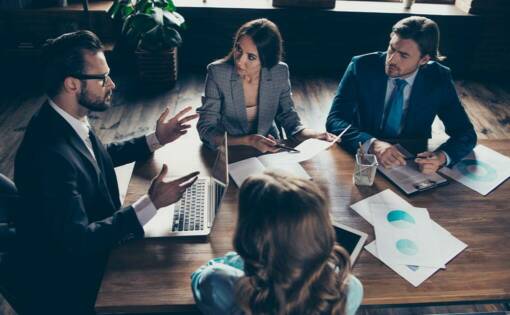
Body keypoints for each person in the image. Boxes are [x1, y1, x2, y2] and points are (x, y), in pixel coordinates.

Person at [11, 30, 199, 314]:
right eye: (101, 78)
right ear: (72, 84)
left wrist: (156, 138)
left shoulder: (62, 119)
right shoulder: (48, 156)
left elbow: (95, 157)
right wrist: (151, 204)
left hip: (98, 242)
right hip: (78, 282)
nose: (111, 83)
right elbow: (79, 242)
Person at [191, 172, 363, 315]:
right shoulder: (350, 289)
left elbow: (199, 275)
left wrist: (244, 259)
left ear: (249, 235)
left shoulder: (217, 282)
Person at [326, 16, 477, 174]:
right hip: (362, 156)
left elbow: (465, 133)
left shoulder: (439, 78)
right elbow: (335, 120)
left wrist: (441, 157)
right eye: (392, 48)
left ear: (424, 59)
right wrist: (372, 143)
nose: (391, 59)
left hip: (411, 162)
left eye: (404, 56)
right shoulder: (361, 66)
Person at [197, 18, 335, 153]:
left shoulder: (279, 71)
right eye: (238, 49)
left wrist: (312, 135)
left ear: (266, 59)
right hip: (229, 149)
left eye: (251, 57)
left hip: (269, 147)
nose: (240, 61)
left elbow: (289, 118)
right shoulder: (217, 72)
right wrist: (249, 140)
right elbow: (206, 130)